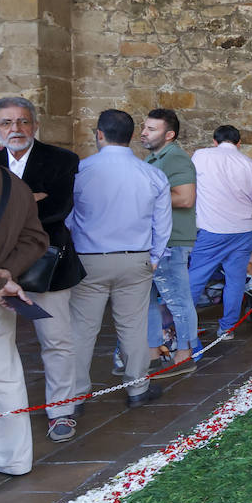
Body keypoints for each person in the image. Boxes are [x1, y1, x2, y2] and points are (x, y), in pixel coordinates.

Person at [0, 96, 85, 442]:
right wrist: (28, 201)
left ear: (35, 124)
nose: (16, 129)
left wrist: (4, 211)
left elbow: (57, 209)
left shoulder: (61, 160)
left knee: (56, 341)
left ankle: (61, 411)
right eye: (7, 123)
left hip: (47, 266)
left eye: (23, 121)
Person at [66, 109, 172, 409]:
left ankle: (76, 394)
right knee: (133, 326)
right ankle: (138, 388)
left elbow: (69, 218)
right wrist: (154, 257)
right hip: (135, 258)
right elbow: (162, 224)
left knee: (82, 329)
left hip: (89, 259)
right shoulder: (152, 174)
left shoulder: (81, 171)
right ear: (131, 137)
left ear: (99, 134)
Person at [0, 147, 49, 494]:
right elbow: (35, 238)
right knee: (2, 378)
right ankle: (14, 458)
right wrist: (5, 275)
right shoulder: (14, 185)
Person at [187, 125, 252, 342]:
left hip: (212, 229)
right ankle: (227, 328)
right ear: (239, 143)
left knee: (195, 279)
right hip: (242, 231)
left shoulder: (201, 156)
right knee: (235, 280)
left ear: (215, 141)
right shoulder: (249, 164)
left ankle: (183, 328)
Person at [139, 109, 197, 377]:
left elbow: (185, 198)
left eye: (151, 129)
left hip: (171, 241)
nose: (144, 132)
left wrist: (141, 197)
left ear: (169, 134)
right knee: (147, 300)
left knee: (178, 300)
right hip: (153, 241)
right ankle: (153, 353)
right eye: (144, 127)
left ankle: (185, 354)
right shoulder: (155, 158)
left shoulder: (175, 159)